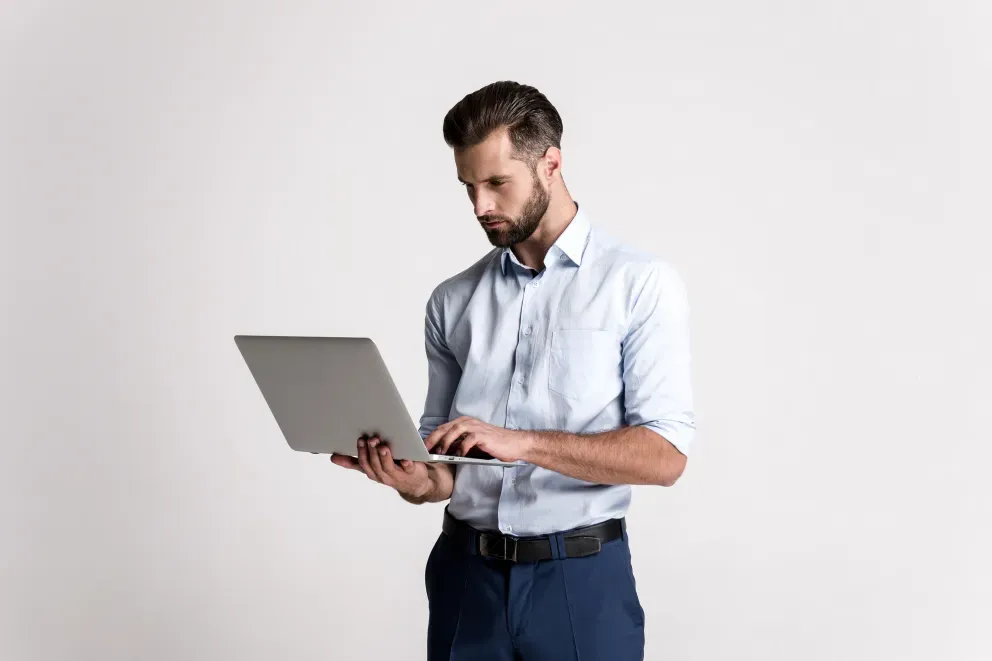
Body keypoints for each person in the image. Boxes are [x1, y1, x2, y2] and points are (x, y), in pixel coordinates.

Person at [331, 80, 695, 661]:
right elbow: (444, 472)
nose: (481, 206)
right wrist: (413, 480)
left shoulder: (638, 285)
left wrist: (522, 443)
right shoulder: (451, 301)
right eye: (468, 187)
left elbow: (665, 457)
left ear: (550, 164)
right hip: (464, 578)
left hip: (581, 582)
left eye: (497, 183)